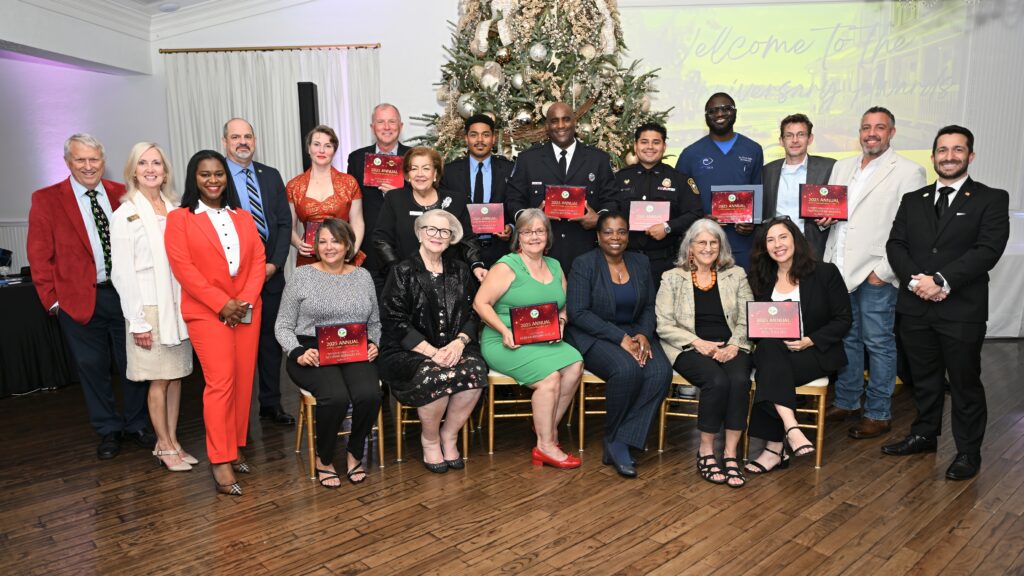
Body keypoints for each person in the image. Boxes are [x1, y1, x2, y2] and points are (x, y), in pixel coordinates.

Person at [882, 125, 1009, 481]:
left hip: (961, 310)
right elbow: (896, 246)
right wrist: (916, 282)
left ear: (971, 156)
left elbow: (988, 251)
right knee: (922, 379)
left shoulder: (991, 198)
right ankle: (924, 434)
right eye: (942, 150)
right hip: (916, 306)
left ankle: (968, 452)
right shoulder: (913, 200)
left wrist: (940, 281)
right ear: (933, 155)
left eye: (957, 150)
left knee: (965, 383)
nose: (949, 156)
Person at [27, 133, 153, 460]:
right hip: (79, 301)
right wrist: (53, 301)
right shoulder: (46, 199)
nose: (88, 166)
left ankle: (137, 424)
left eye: (93, 159)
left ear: (103, 161)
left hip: (125, 297)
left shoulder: (122, 194)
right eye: (80, 160)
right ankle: (108, 429)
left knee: (134, 365)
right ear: (68, 162)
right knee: (92, 367)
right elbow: (39, 256)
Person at [821, 106, 926, 439]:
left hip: (875, 273)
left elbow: (911, 230)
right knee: (847, 338)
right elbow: (834, 213)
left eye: (880, 127)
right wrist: (824, 218)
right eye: (866, 127)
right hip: (838, 269)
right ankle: (849, 400)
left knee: (878, 343)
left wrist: (884, 271)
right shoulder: (842, 167)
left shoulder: (909, 171)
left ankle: (878, 413)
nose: (872, 133)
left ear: (892, 132)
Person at [165, 150, 266, 496]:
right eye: (205, 174)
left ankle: (235, 445)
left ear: (227, 178)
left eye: (219, 174)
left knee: (242, 382)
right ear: (194, 177)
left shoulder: (242, 216)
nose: (212, 180)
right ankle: (220, 459)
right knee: (220, 383)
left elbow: (258, 260)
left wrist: (245, 301)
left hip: (246, 309)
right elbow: (184, 269)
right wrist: (223, 304)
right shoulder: (180, 218)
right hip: (208, 312)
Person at [379, 210, 488, 473]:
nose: (437, 236)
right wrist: (431, 352)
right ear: (419, 233)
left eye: (444, 232)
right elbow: (394, 320)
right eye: (431, 229)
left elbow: (475, 313)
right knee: (435, 375)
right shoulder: (402, 271)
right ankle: (429, 439)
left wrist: (460, 342)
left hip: (454, 344)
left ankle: (449, 436)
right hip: (408, 350)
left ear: (451, 238)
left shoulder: (461, 271)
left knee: (475, 372)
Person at [275, 218, 382, 488]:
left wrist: (375, 344)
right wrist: (297, 350)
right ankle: (323, 458)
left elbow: (375, 323)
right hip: (310, 349)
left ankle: (354, 451)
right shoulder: (302, 276)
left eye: (335, 240)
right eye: (322, 241)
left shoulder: (363, 276)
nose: (328, 247)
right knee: (335, 397)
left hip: (353, 349)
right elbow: (283, 325)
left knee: (370, 394)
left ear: (348, 245)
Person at [474, 208, 584, 469]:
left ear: (548, 235)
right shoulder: (506, 266)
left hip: (543, 339)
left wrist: (561, 322)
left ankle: (545, 426)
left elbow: (563, 306)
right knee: (550, 379)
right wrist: (504, 330)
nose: (534, 236)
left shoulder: (555, 266)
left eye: (539, 231)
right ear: (518, 236)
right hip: (504, 341)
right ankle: (545, 446)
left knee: (575, 363)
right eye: (527, 231)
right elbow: (480, 304)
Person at [566, 211, 673, 478]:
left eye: (622, 231)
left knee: (660, 372)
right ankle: (616, 440)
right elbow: (578, 312)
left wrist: (644, 334)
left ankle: (619, 440)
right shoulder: (584, 264)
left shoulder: (640, 262)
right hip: (595, 335)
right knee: (626, 370)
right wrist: (619, 338)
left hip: (635, 332)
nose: (616, 237)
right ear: (598, 236)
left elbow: (649, 305)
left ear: (628, 235)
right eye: (609, 232)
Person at [110, 142, 195, 472]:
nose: (150, 168)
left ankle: (173, 440)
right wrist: (137, 321)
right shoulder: (124, 215)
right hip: (149, 309)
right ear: (133, 170)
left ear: (165, 170)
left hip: (178, 306)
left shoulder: (176, 208)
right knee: (158, 380)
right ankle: (162, 445)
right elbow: (122, 273)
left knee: (176, 378)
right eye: (143, 163)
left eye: (156, 163)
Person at [745, 217, 852, 474]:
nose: (777, 244)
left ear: (795, 239)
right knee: (770, 349)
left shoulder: (825, 272)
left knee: (768, 371)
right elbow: (757, 325)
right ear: (764, 248)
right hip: (775, 353)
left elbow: (844, 319)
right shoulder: (760, 278)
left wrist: (808, 341)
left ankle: (774, 449)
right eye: (770, 240)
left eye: (783, 237)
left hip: (814, 352)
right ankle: (791, 429)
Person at [655, 218, 752, 487]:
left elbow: (747, 317)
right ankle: (706, 450)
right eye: (702, 242)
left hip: (732, 344)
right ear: (690, 247)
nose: (708, 248)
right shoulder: (672, 278)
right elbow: (664, 324)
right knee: (716, 381)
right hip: (689, 346)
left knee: (739, 380)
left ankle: (731, 454)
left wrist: (734, 345)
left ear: (721, 247)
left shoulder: (737, 275)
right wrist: (698, 343)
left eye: (713, 242)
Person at [222, 118, 295, 426]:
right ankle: (236, 410)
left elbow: (282, 223)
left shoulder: (270, 175)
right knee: (235, 345)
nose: (243, 142)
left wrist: (273, 264)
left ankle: (270, 403)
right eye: (236, 137)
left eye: (248, 136)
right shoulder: (216, 177)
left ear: (255, 140)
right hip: (234, 279)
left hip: (270, 274)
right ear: (225, 141)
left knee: (269, 341)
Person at [505, 102, 617, 274]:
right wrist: (532, 220)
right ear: (547, 126)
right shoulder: (528, 160)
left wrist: (599, 219)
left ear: (575, 122)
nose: (561, 126)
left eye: (566, 119)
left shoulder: (598, 159)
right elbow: (513, 200)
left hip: (586, 252)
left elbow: (613, 199)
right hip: (540, 254)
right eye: (554, 121)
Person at [675, 93, 763, 269]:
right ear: (706, 117)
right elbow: (680, 200)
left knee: (741, 293)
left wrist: (752, 221)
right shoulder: (691, 154)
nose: (720, 114)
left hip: (741, 243)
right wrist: (701, 220)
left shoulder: (753, 149)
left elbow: (758, 190)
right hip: (702, 245)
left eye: (726, 109)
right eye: (713, 111)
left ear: (735, 112)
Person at [371, 147, 486, 281]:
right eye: (414, 168)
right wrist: (398, 271)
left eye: (426, 168)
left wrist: (476, 265)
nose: (420, 174)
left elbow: (468, 240)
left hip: (449, 280)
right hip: (406, 280)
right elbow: (381, 239)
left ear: (435, 173)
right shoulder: (395, 199)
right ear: (408, 175)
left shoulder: (456, 201)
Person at [615, 122, 703, 293]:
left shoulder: (679, 179)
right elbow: (611, 211)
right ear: (635, 146)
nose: (650, 147)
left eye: (656, 142)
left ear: (664, 146)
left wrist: (668, 227)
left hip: (665, 262)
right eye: (644, 142)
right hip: (626, 259)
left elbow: (695, 213)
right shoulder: (620, 179)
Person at [346, 103, 411, 292]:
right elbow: (351, 203)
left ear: (401, 126)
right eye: (381, 122)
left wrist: (398, 195)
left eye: (392, 121)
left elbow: (424, 198)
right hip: (369, 248)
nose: (387, 127)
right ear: (372, 127)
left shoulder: (413, 157)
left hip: (404, 247)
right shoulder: (357, 158)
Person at [439, 114, 514, 268]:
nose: (480, 140)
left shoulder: (509, 170)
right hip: (460, 252)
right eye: (474, 135)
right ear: (466, 139)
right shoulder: (450, 172)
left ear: (493, 139)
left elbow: (517, 203)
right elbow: (443, 211)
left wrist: (511, 228)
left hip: (500, 252)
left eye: (486, 135)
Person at [286, 125, 366, 267]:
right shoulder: (294, 185)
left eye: (328, 146)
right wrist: (298, 244)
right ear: (309, 148)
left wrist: (353, 249)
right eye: (317, 144)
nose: (322, 150)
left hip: (342, 257)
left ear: (334, 150)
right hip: (308, 258)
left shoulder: (349, 183)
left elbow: (357, 222)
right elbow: (288, 226)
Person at [759, 114, 836, 258]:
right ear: (781, 141)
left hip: (813, 250)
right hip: (777, 251)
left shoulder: (829, 167)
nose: (795, 140)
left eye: (801, 135)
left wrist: (827, 220)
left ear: (810, 138)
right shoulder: (767, 171)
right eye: (789, 135)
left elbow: (840, 206)